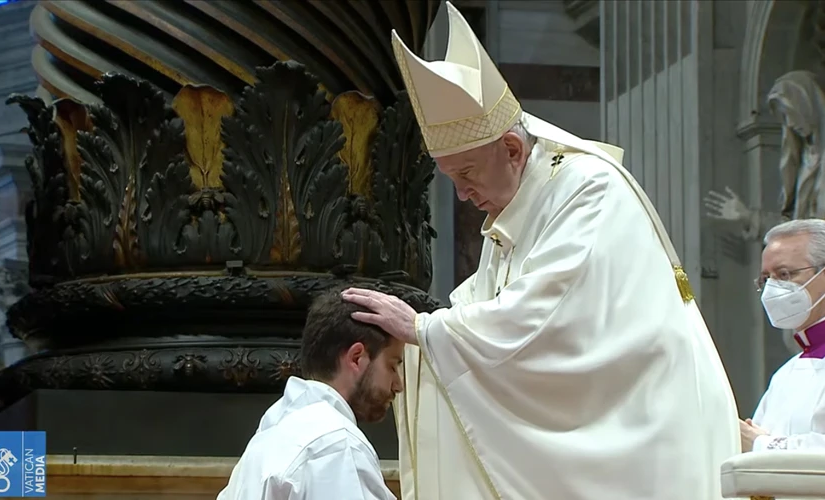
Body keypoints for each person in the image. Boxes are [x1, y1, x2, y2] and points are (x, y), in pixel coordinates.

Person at [340, 3, 741, 499]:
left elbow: (545, 314)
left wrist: (424, 329)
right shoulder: (515, 212)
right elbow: (484, 307)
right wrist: (418, 340)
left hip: (646, 425)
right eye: (451, 180)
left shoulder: (588, 190)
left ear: (511, 149)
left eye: (466, 174)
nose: (462, 195)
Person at [217, 287, 403, 500]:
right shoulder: (337, 446)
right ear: (356, 357)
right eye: (393, 366)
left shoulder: (266, 440)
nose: (398, 385)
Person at [743, 219, 825, 452]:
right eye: (765, 279)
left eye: (784, 274)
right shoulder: (785, 374)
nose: (771, 290)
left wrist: (759, 443)